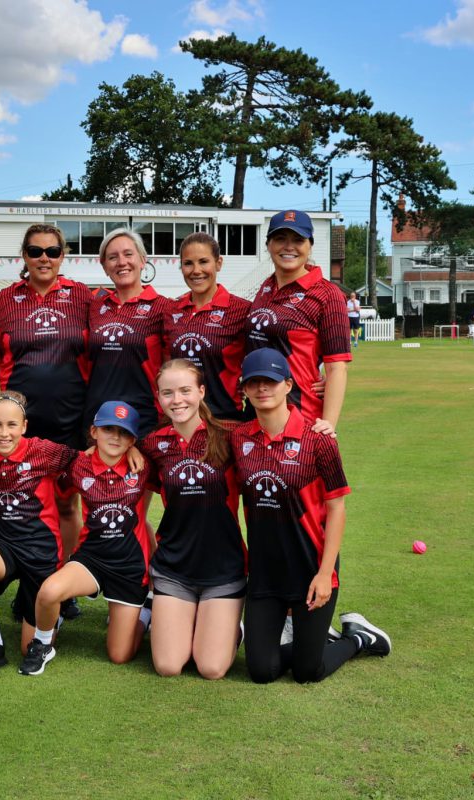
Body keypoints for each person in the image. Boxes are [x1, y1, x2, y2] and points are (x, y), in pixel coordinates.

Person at [232, 349, 391, 683]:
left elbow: (336, 508)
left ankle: (357, 638)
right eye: (254, 383)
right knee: (262, 671)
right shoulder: (239, 439)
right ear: (244, 389)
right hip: (265, 574)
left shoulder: (317, 439)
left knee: (308, 671)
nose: (263, 389)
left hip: (311, 568)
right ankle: (313, 641)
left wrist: (324, 574)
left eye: (271, 381)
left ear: (288, 384)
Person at [0, 224, 94, 616]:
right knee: (25, 504)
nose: (44, 258)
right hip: (20, 425)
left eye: (52, 251)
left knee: (67, 507)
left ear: (63, 255)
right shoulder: (4, 301)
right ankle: (31, 580)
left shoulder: (83, 297)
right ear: (24, 256)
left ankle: (61, 585)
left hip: (70, 419)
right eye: (35, 251)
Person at [22, 401, 157, 676]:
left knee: (120, 655)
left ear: (133, 439)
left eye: (123, 432)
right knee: (48, 592)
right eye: (108, 429)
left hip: (129, 566)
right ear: (94, 432)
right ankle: (45, 645)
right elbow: (58, 496)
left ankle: (146, 612)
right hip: (91, 557)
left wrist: (136, 450)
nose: (115, 437)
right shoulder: (78, 465)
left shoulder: (143, 466)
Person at [0, 390, 79, 676]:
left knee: (30, 647)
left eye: (12, 425)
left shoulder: (45, 451)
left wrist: (129, 449)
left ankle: (51, 612)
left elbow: (87, 458)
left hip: (42, 551)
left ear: (24, 426)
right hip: (6, 547)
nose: (4, 433)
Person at [140, 359, 246, 679]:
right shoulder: (152, 445)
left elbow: (275, 434)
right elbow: (136, 510)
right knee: (169, 666)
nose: (177, 400)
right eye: (168, 393)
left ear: (201, 391)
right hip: (175, 569)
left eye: (185, 390)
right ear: (158, 398)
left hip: (223, 569)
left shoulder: (230, 437)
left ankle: (231, 627)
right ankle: (160, 610)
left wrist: (321, 424)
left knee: (211, 668)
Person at [246, 210, 350, 431]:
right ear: (268, 245)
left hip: (302, 418)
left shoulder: (327, 294)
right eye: (280, 239)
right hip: (257, 416)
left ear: (309, 246)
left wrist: (328, 424)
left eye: (297, 240)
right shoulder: (266, 288)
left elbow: (337, 368)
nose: (289, 246)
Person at [83, 229, 171, 438]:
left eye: (128, 254)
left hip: (143, 420)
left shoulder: (164, 307)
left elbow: (170, 367)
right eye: (112, 257)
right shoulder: (94, 306)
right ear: (105, 267)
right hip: (98, 419)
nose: (121, 262)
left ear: (142, 260)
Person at [162, 232, 253, 423]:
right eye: (188, 263)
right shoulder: (171, 310)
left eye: (203, 261)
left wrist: (320, 380)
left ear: (218, 263)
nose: (196, 270)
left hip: (224, 421)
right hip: (181, 421)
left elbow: (268, 354)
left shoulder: (242, 310)